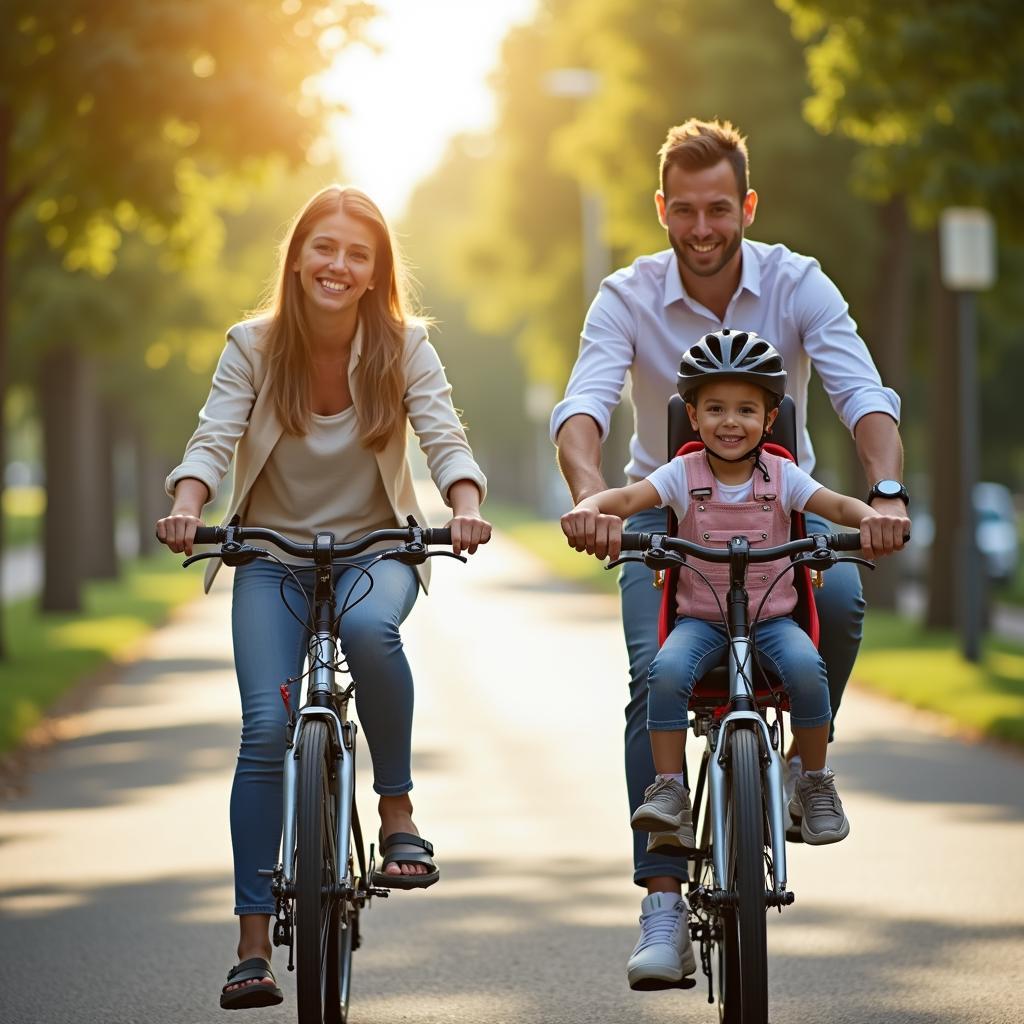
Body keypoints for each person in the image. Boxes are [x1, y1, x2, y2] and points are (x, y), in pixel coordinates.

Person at [550, 118, 911, 989]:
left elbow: (860, 389)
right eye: (686, 211)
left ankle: (799, 766)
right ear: (662, 210)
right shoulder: (626, 294)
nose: (704, 228)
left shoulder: (798, 283)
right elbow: (584, 410)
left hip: (787, 518)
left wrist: (888, 493)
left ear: (746, 205)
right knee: (651, 675)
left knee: (849, 606)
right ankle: (664, 898)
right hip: (664, 520)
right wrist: (590, 504)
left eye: (720, 209)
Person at [156, 185, 491, 1010]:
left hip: (376, 549)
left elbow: (445, 435)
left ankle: (397, 810)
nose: (338, 266)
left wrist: (467, 505)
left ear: (376, 272)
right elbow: (215, 432)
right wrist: (190, 505)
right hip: (269, 553)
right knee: (266, 728)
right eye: (324, 248)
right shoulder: (252, 344)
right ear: (298, 257)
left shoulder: (406, 348)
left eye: (357, 254)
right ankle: (250, 942)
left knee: (375, 636)